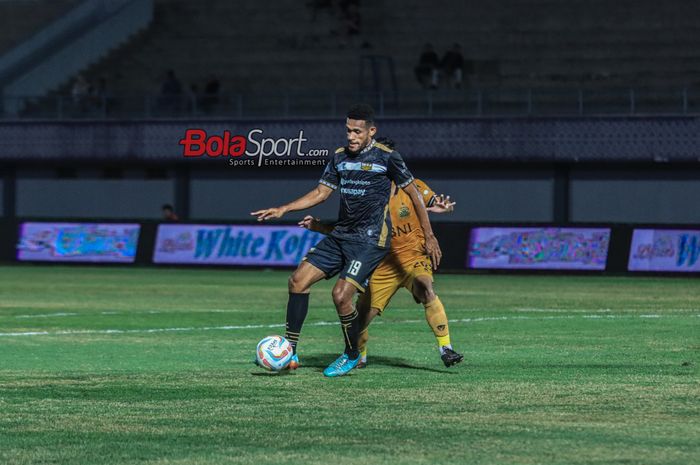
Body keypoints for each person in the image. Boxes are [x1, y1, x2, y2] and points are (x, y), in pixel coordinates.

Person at [251, 104, 441, 377]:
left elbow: (415, 196)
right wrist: (284, 208)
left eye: (357, 131)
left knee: (341, 296)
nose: (351, 136)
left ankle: (352, 353)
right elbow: (320, 193)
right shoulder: (339, 157)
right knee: (297, 281)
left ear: (371, 131)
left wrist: (430, 236)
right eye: (348, 130)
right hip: (342, 235)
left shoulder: (388, 158)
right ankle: (290, 350)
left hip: (370, 241)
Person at [299, 138, 463, 369]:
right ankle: (360, 355)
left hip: (412, 257)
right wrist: (320, 227)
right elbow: (350, 228)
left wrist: (446, 208)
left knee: (426, 288)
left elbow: (438, 203)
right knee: (362, 316)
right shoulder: (368, 192)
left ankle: (446, 348)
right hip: (381, 263)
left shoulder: (413, 186)